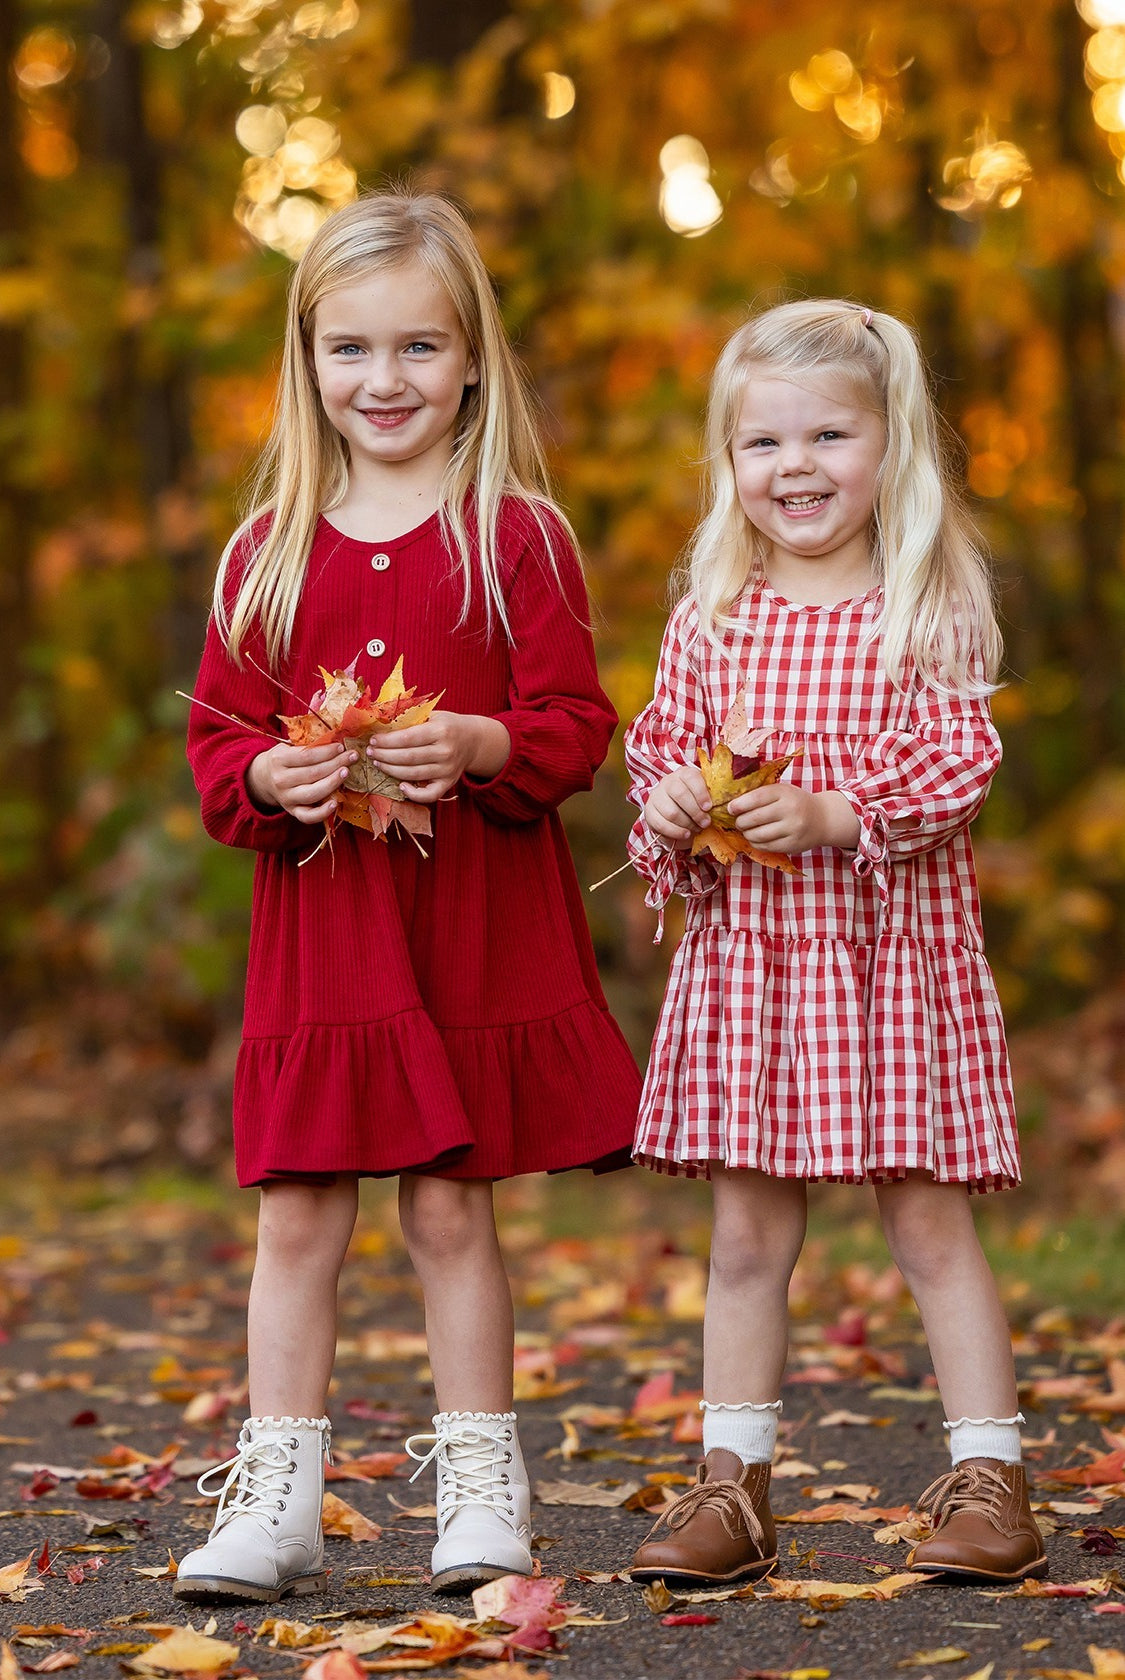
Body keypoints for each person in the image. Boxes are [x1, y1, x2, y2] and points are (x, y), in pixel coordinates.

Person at [178, 189, 640, 1606]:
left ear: (471, 362)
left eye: (419, 348)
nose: (385, 381)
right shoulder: (264, 553)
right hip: (326, 936)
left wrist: (487, 743)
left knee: (449, 1210)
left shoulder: (518, 538)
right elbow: (215, 755)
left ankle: (482, 1481)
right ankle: (279, 1491)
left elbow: (573, 723)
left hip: (467, 928)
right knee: (298, 1212)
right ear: (306, 361)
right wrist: (271, 781)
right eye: (352, 349)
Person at [623, 299, 1045, 1589]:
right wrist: (676, 807)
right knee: (749, 1238)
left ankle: (989, 1477)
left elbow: (958, 769)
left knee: (927, 1225)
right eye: (762, 443)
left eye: (827, 435)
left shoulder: (925, 603)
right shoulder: (713, 614)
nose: (793, 466)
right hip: (756, 970)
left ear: (889, 445)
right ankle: (731, 1486)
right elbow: (658, 762)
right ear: (729, 461)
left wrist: (831, 811)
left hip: (889, 968)